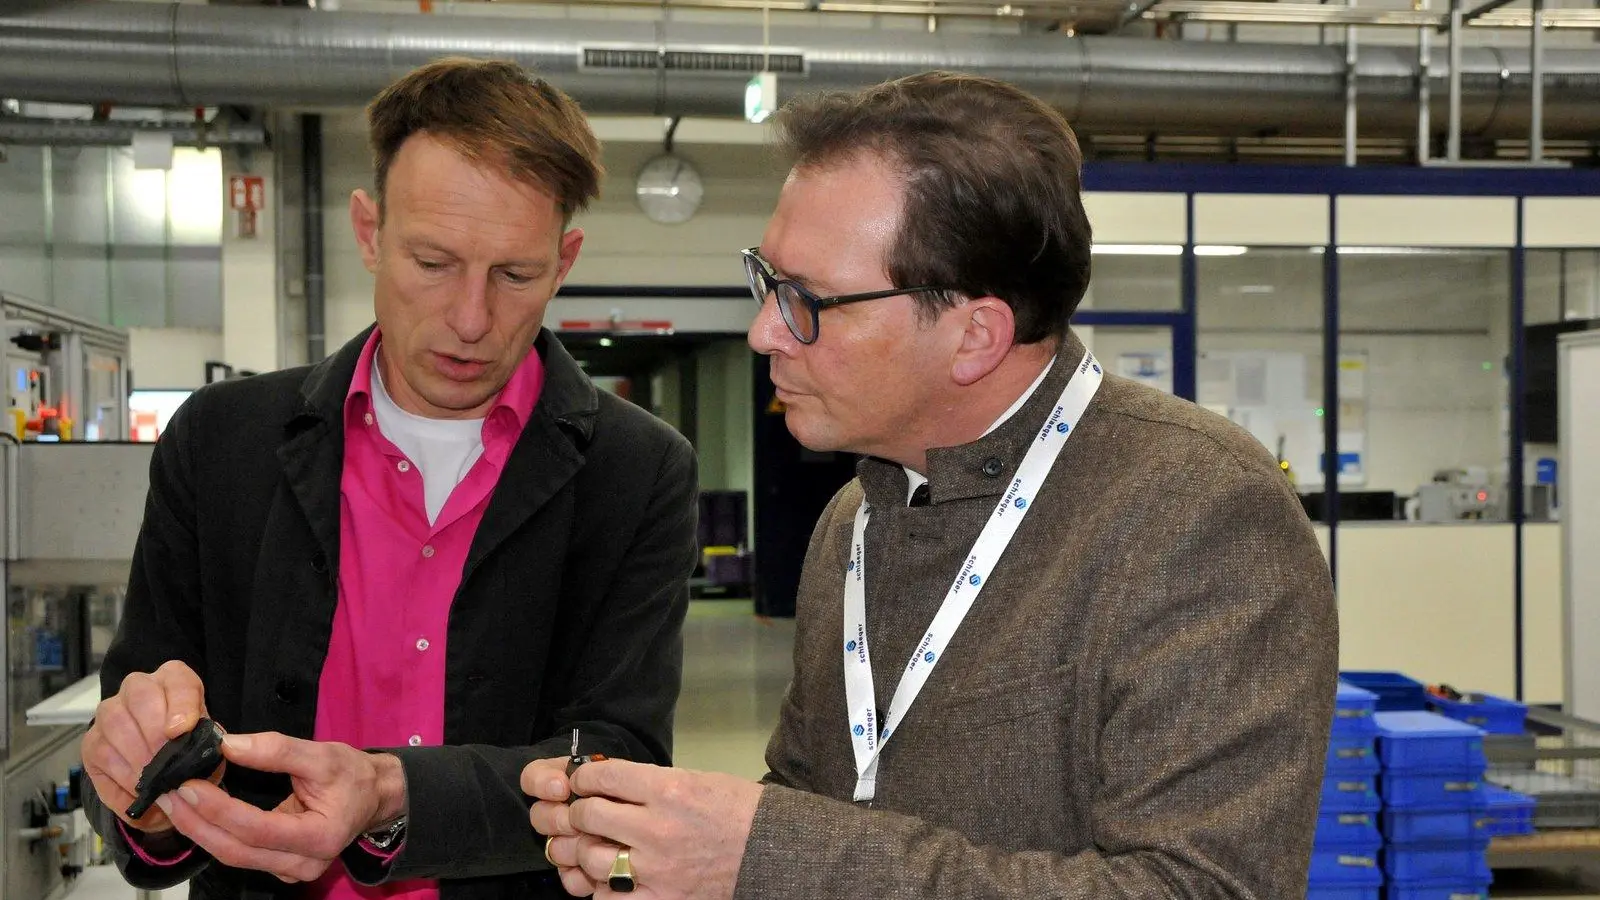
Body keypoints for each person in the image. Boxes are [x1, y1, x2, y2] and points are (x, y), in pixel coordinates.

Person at [526, 70, 1338, 899]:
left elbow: (1198, 889)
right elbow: (816, 795)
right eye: (766, 281)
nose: (764, 329)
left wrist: (762, 855)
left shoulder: (1194, 512)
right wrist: (679, 849)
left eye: (806, 299)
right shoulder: (856, 518)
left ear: (974, 335)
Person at [79, 57, 698, 900]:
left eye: (515, 275)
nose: (472, 319)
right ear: (369, 232)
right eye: (433, 263)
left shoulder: (637, 471)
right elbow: (135, 725)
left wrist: (392, 796)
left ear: (564, 260)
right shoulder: (222, 444)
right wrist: (143, 790)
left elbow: (616, 755)